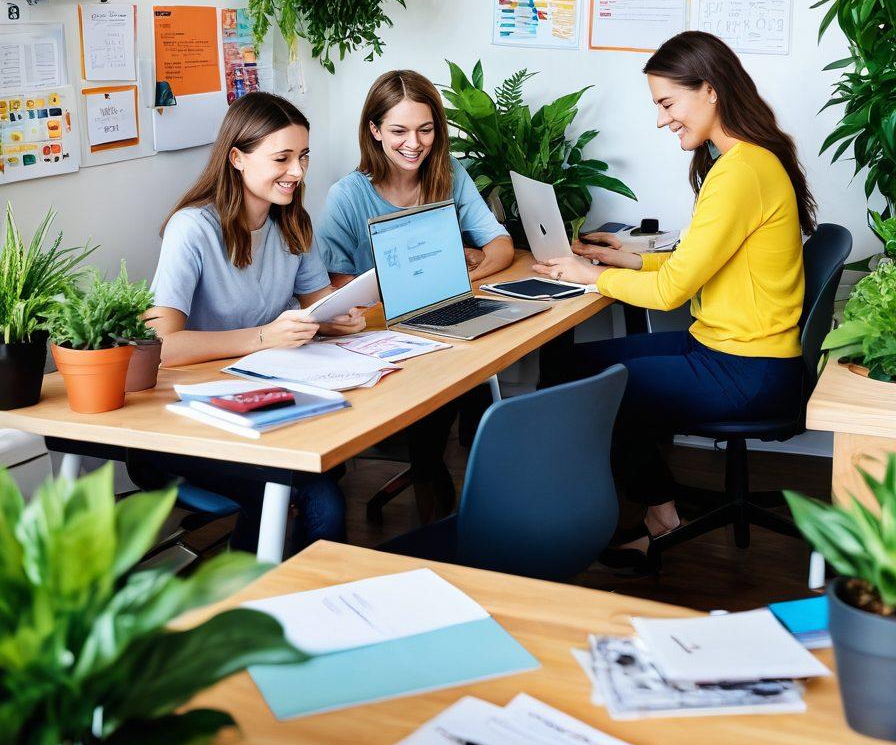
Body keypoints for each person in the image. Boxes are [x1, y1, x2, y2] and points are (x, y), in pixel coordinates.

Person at [534, 31, 815, 560]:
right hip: (726, 351)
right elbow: (698, 263)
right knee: (571, 365)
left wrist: (587, 276)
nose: (663, 119)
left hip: (747, 370)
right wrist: (627, 258)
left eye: (667, 103)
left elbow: (669, 292)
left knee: (591, 385)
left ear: (709, 90)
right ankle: (650, 504)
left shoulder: (740, 172)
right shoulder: (745, 162)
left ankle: (655, 514)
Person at [139, 91, 366, 556]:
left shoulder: (291, 222)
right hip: (185, 421)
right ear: (237, 158)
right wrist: (263, 337)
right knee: (317, 495)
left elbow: (317, 305)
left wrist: (336, 318)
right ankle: (262, 609)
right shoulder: (193, 228)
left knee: (328, 462)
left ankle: (277, 599)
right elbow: (160, 345)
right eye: (282, 158)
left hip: (260, 399)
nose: (298, 172)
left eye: (303, 156)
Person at [317, 69, 514, 517]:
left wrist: (464, 277)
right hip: (378, 335)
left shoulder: (448, 173)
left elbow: (499, 244)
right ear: (374, 131)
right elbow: (331, 288)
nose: (414, 143)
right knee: (441, 404)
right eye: (399, 131)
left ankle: (467, 494)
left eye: (426, 129)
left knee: (482, 363)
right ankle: (441, 509)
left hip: (440, 320)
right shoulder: (346, 196)